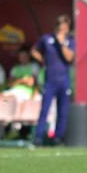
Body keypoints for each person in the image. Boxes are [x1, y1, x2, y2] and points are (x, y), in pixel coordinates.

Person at [31, 15, 75, 146]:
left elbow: (69, 58)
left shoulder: (70, 41)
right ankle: (39, 137)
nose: (61, 31)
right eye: (59, 28)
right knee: (44, 109)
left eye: (64, 28)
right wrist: (43, 60)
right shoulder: (46, 39)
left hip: (64, 80)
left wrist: (61, 44)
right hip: (50, 80)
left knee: (63, 111)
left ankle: (58, 138)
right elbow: (34, 51)